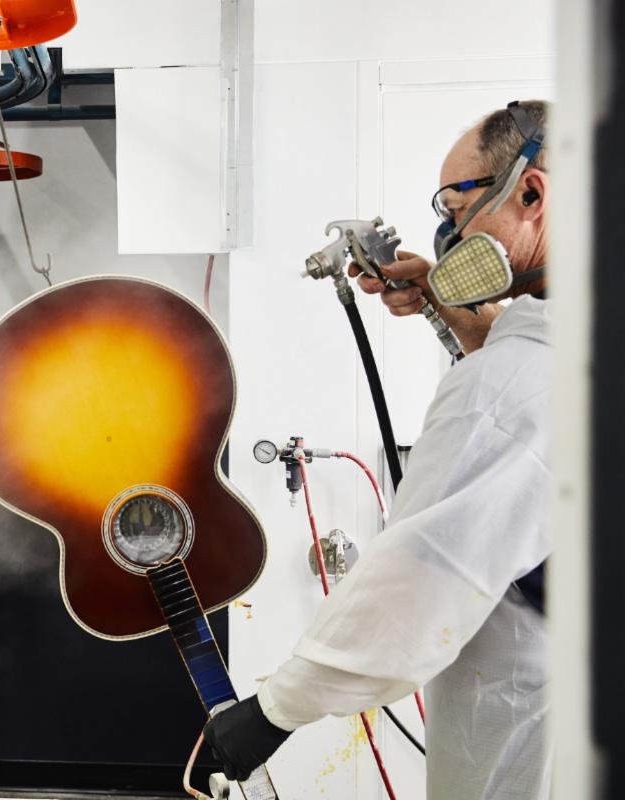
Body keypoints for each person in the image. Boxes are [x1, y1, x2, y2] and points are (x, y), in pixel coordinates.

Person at [205, 101, 552, 800]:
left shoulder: (507, 386)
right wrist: (465, 326)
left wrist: (271, 713)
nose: (449, 236)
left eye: (456, 209)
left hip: (531, 730)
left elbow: (420, 590)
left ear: (532, 192)